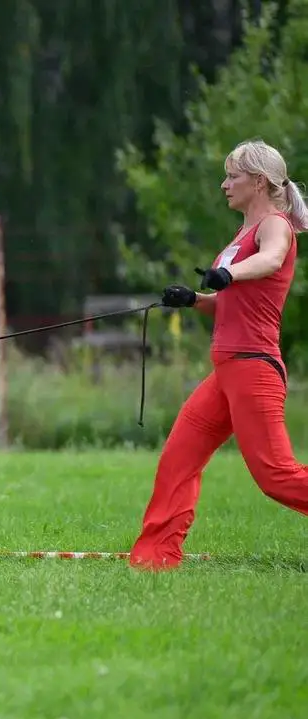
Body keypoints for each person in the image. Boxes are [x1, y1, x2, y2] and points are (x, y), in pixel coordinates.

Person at [128, 138, 308, 571]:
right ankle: (156, 558)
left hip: (253, 369)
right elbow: (231, 301)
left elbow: (270, 260)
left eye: (233, 176)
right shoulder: (243, 232)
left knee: (275, 476)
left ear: (260, 182)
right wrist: (193, 298)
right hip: (226, 370)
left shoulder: (274, 226)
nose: (225, 184)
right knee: (178, 460)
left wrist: (228, 272)